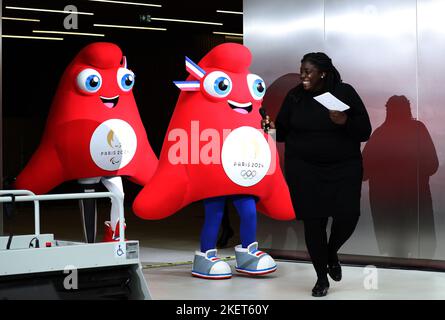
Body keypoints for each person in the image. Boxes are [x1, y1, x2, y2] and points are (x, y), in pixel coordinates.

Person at [262, 52, 372, 297]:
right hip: (305, 170)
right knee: (314, 224)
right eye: (301, 70)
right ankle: (322, 278)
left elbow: (365, 131)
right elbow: (284, 128)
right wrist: (270, 126)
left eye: (308, 71)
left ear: (322, 72)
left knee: (348, 216)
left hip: (344, 168)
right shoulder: (296, 96)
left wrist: (344, 121)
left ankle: (331, 252)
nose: (303, 76)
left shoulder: (344, 92)